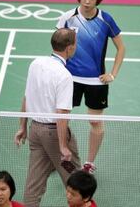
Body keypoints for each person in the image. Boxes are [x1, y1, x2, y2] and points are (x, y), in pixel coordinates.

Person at [56, 0, 126, 174]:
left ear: (98, 0)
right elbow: (57, 46)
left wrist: (112, 73)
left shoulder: (105, 19)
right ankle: (61, 155)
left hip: (96, 81)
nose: (87, 2)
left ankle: (88, 163)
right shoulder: (68, 18)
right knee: (62, 118)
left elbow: (121, 47)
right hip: (70, 78)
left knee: (95, 122)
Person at [14, 28, 81, 207]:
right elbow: (61, 114)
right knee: (77, 181)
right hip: (53, 135)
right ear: (69, 48)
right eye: (75, 44)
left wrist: (22, 126)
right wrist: (63, 147)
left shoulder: (35, 64)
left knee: (33, 185)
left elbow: (27, 96)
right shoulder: (64, 76)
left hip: (35, 131)